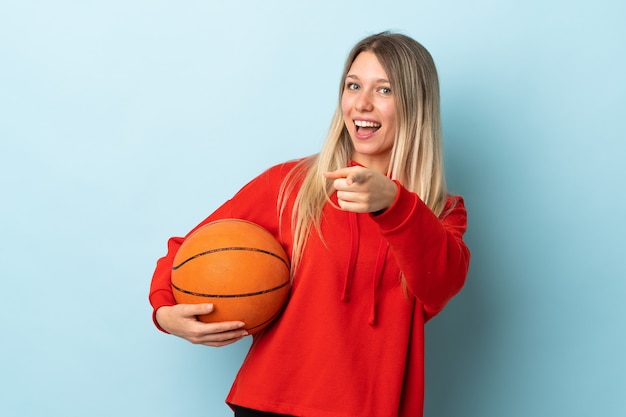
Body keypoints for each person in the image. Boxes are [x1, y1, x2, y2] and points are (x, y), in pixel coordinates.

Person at [149, 31, 470, 417]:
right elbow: (188, 250)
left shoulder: (439, 212)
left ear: (415, 105)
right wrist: (165, 312)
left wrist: (396, 206)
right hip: (268, 403)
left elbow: (440, 285)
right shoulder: (290, 185)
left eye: (384, 90)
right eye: (353, 86)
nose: (362, 104)